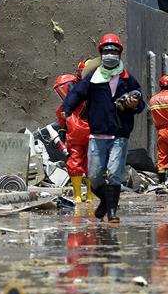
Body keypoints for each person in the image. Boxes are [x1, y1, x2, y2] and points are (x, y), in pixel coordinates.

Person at [62, 33, 145, 223]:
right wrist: (67, 109)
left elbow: (141, 104)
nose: (110, 54)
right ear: (101, 53)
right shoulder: (93, 78)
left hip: (119, 134)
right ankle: (105, 203)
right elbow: (77, 94)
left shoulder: (128, 79)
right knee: (94, 175)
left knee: (115, 173)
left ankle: (113, 212)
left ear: (119, 54)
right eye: (107, 51)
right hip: (97, 134)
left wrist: (135, 105)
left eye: (114, 51)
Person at [53, 65, 90, 203]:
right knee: (77, 164)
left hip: (85, 135)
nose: (64, 92)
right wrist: (62, 131)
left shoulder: (85, 98)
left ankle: (86, 195)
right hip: (77, 137)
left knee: (89, 164)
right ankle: (79, 195)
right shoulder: (64, 108)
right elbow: (62, 123)